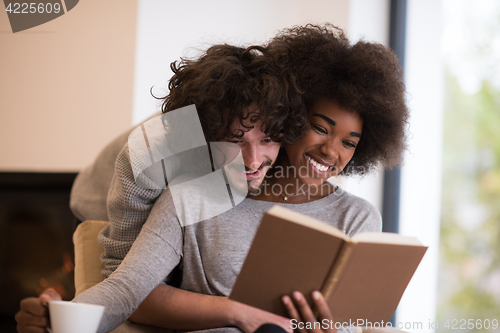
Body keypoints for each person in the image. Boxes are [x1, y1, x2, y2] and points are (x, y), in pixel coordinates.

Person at [16, 24, 409, 333]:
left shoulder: (358, 217)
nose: (253, 157)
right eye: (321, 129)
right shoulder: (189, 187)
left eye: (267, 138)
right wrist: (60, 316)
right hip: (97, 195)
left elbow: (362, 324)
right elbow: (125, 286)